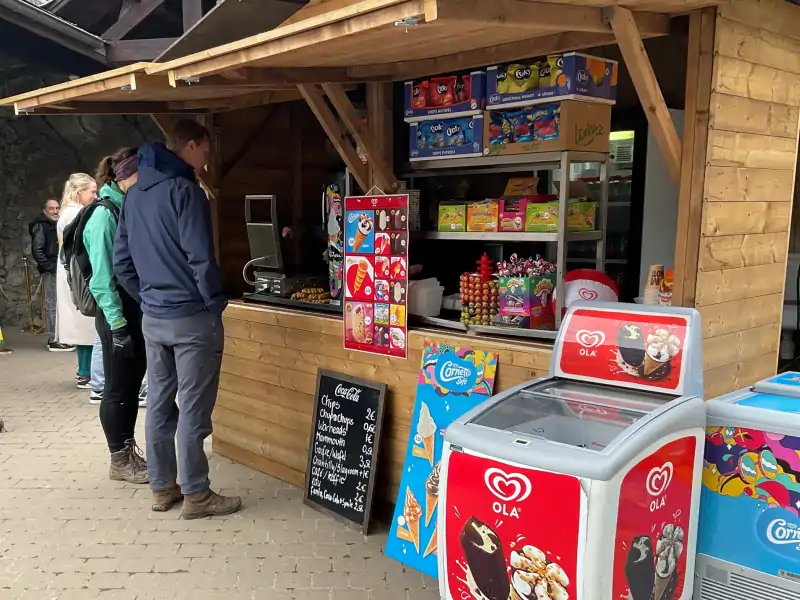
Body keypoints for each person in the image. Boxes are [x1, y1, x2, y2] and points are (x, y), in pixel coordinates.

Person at [114, 120, 240, 518]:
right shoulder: (187, 192)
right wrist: (214, 301)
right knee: (194, 409)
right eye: (205, 151)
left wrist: (149, 299)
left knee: (159, 405)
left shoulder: (133, 196)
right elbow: (200, 258)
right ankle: (198, 495)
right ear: (189, 146)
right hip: (192, 319)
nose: (207, 160)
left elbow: (122, 263)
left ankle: (162, 488)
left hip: (154, 318)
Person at [85, 149, 149, 485]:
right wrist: (118, 326)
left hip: (132, 312)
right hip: (116, 316)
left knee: (131, 384)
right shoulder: (104, 216)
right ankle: (118, 460)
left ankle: (128, 451)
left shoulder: (126, 209)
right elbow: (101, 279)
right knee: (116, 388)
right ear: (126, 176)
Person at [56, 174, 98, 389]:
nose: (94, 196)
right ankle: (86, 372)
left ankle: (86, 371)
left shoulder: (67, 213)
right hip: (79, 274)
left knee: (83, 324)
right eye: (91, 191)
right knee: (85, 323)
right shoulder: (76, 214)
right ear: (79, 192)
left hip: (71, 273)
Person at [30, 198, 72, 352]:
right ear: (45, 210)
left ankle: (60, 337)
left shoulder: (55, 224)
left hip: (58, 268)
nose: (55, 211)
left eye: (57, 208)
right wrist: (50, 267)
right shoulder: (41, 226)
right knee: (52, 303)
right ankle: (53, 339)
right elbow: (38, 250)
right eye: (51, 209)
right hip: (52, 270)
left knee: (60, 303)